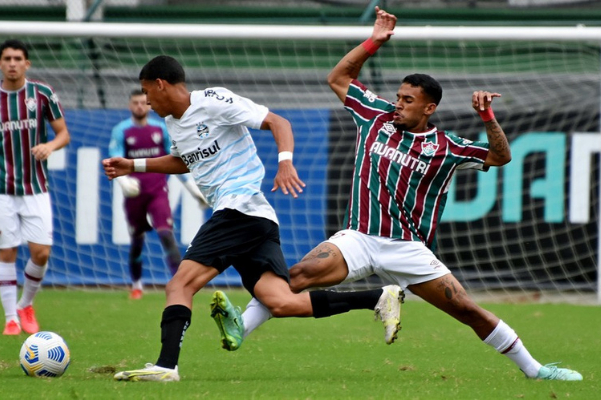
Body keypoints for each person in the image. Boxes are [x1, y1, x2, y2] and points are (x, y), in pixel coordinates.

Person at [220, 7, 583, 382]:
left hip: (408, 248)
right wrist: (374, 41)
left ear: (429, 108)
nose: (398, 103)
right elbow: (339, 77)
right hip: (358, 237)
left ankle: (536, 369)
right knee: (298, 274)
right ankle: (239, 330)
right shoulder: (375, 116)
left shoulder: (446, 145)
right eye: (398, 96)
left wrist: (488, 118)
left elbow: (500, 156)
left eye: (408, 100)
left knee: (467, 310)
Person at [102, 55, 404, 382]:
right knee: (281, 302)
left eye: (148, 92)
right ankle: (378, 298)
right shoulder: (174, 123)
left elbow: (279, 122)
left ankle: (166, 366)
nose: (147, 101)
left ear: (161, 84)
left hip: (239, 209)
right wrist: (133, 166)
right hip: (256, 219)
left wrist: (285, 163)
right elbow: (184, 160)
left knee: (180, 284)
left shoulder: (214, 101)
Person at [0, 39, 71, 336]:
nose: (12, 63)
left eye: (18, 58)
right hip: (0, 188)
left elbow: (63, 134)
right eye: (7, 58)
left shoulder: (42, 94)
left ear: (27, 63)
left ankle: (25, 304)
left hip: (35, 186)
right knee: (6, 252)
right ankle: (11, 318)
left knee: (41, 253)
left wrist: (49, 145)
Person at [109, 89, 207, 300]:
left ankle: (179, 284)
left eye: (143, 102)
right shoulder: (121, 131)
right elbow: (115, 158)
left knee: (166, 234)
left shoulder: (160, 129)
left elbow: (175, 160)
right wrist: (123, 181)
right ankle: (136, 285)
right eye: (135, 102)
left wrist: (192, 189)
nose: (139, 106)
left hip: (158, 190)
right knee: (137, 239)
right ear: (130, 105)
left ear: (148, 104)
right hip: (134, 194)